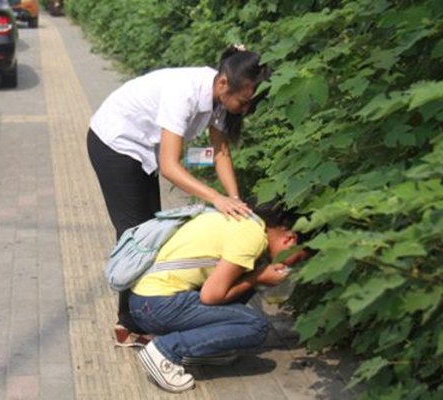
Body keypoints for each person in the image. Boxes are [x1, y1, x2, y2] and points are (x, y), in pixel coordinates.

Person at [86, 45, 271, 342]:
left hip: (144, 150)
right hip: (115, 144)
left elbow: (220, 152)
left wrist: (234, 198)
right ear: (224, 83)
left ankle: (143, 315)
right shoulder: (183, 93)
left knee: (156, 231)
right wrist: (216, 198)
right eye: (243, 101)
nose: (244, 109)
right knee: (137, 234)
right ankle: (130, 322)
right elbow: (170, 166)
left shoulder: (219, 98)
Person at [129, 202, 308, 393]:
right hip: (158, 305)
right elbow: (211, 296)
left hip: (146, 301)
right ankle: (165, 350)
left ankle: (202, 349)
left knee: (242, 289)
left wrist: (257, 277)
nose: (293, 266)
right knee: (255, 325)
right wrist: (258, 277)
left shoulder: (244, 219)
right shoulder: (252, 237)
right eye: (298, 259)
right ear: (290, 239)